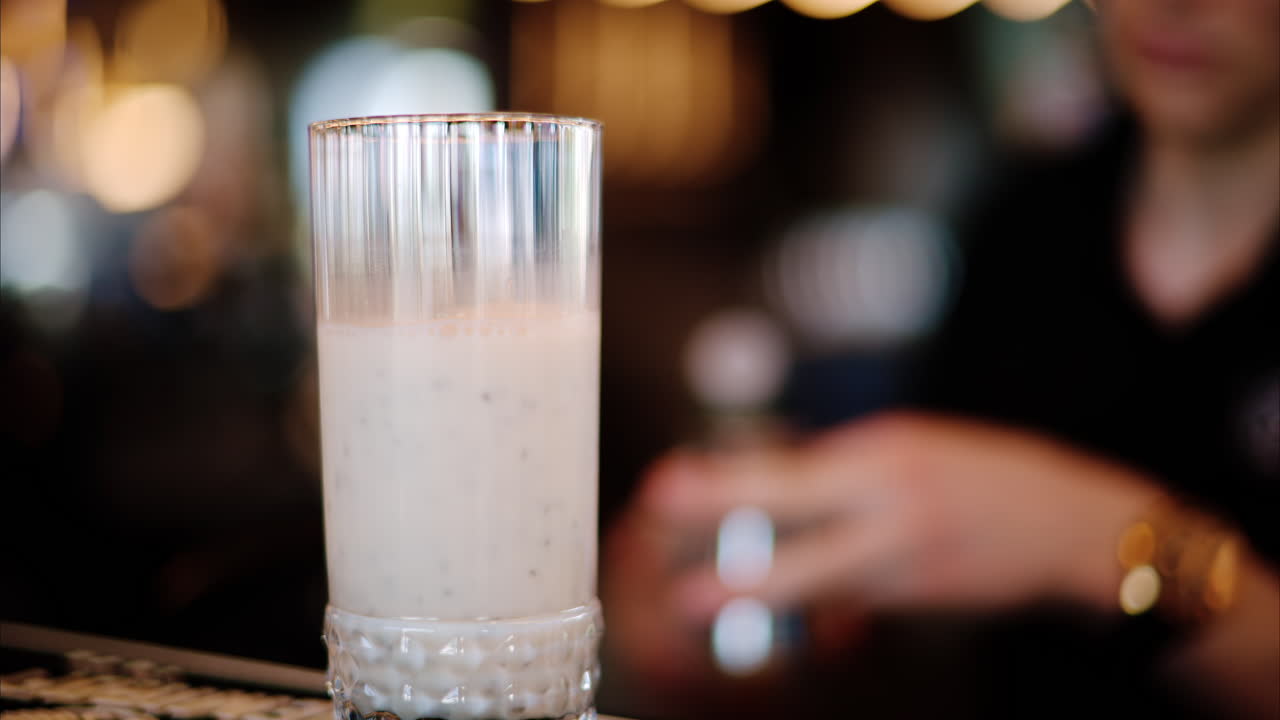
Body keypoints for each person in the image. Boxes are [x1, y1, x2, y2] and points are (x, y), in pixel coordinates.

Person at [604, 1, 1279, 717]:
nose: (1174, 7)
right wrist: (798, 563)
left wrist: (1095, 542)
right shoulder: (1024, 225)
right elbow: (940, 616)